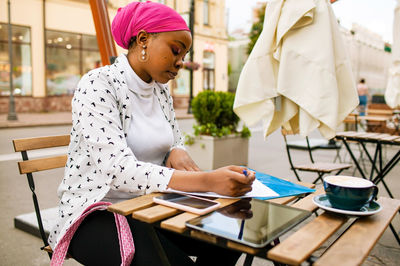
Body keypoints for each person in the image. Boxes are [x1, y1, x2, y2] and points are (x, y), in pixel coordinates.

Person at [48, 2, 255, 265]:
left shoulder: (160, 90)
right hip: (95, 210)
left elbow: (174, 135)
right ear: (144, 39)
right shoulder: (98, 84)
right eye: (176, 50)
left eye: (184, 55)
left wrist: (177, 148)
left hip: (149, 203)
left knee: (231, 231)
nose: (181, 62)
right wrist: (208, 181)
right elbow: (118, 170)